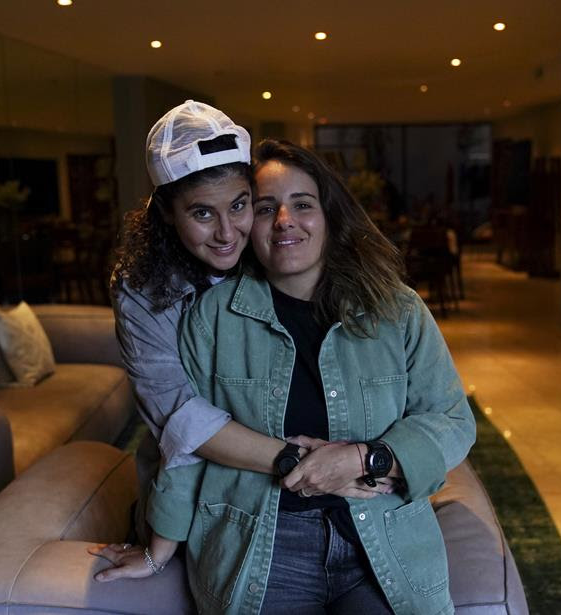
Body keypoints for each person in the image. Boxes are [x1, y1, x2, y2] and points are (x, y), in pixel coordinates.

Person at [148, 139, 476, 614]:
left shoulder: (397, 309)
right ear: (247, 225)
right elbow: (189, 440)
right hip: (264, 540)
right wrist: (158, 546)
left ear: (329, 216)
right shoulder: (213, 318)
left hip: (380, 534)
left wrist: (367, 458)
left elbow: (451, 419)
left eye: (302, 204)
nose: (285, 220)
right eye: (265, 208)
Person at [90, 103, 390, 581]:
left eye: (239, 205)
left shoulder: (274, 248)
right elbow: (178, 415)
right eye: (202, 213)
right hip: (194, 483)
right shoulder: (141, 287)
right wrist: (305, 463)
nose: (228, 233)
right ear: (166, 211)